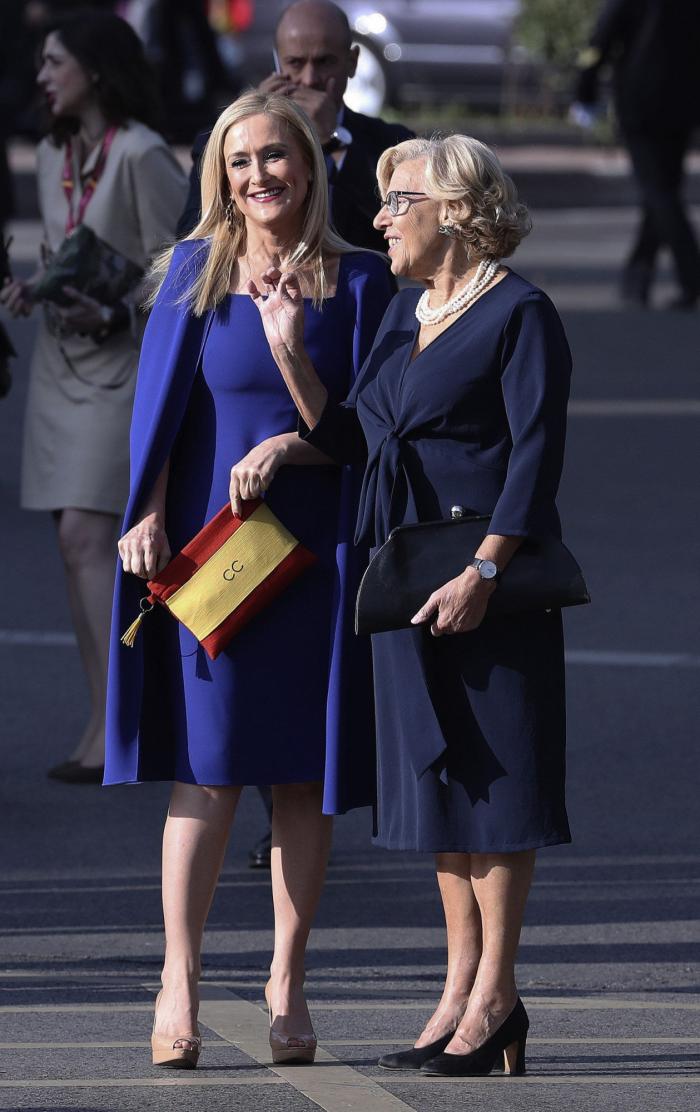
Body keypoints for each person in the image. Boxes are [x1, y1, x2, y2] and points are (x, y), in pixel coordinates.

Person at [251, 134, 573, 1077]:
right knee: (444, 785)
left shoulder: (521, 313)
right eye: (385, 204)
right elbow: (356, 437)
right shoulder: (401, 313)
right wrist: (289, 356)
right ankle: (457, 993)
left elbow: (535, 456)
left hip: (483, 579)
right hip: (404, 577)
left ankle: (498, 997)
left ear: (458, 212)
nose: (382, 218)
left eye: (400, 204)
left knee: (499, 786)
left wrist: (486, 570)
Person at [105, 90, 394, 1067]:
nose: (258, 176)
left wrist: (286, 413)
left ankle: (287, 979)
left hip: (314, 556)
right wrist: (143, 516)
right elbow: (158, 416)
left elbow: (366, 436)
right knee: (207, 776)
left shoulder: (361, 284)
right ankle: (177, 978)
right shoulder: (197, 268)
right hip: (215, 562)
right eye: (239, 163)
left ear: (308, 166)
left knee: (301, 782)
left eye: (274, 157)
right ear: (217, 178)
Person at [0, 10, 186, 782]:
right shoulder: (50, 152)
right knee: (75, 544)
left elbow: (180, 259)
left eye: (55, 62)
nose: (42, 76)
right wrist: (36, 287)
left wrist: (112, 308)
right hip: (59, 364)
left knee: (89, 538)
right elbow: (67, 244)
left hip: (123, 362)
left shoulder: (140, 153)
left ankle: (121, 724)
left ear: (97, 70)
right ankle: (105, 718)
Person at [177, 0, 414, 251]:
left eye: (325, 62)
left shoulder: (392, 144)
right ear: (277, 64)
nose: (309, 79)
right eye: (296, 63)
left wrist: (334, 141)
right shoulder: (221, 143)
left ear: (352, 62)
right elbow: (194, 236)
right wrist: (251, 127)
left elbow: (410, 232)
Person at [575, 0, 700, 309]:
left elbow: (600, 41)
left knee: (658, 192)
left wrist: (584, 89)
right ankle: (638, 275)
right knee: (662, 192)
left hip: (640, 101)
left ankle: (691, 275)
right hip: (683, 106)